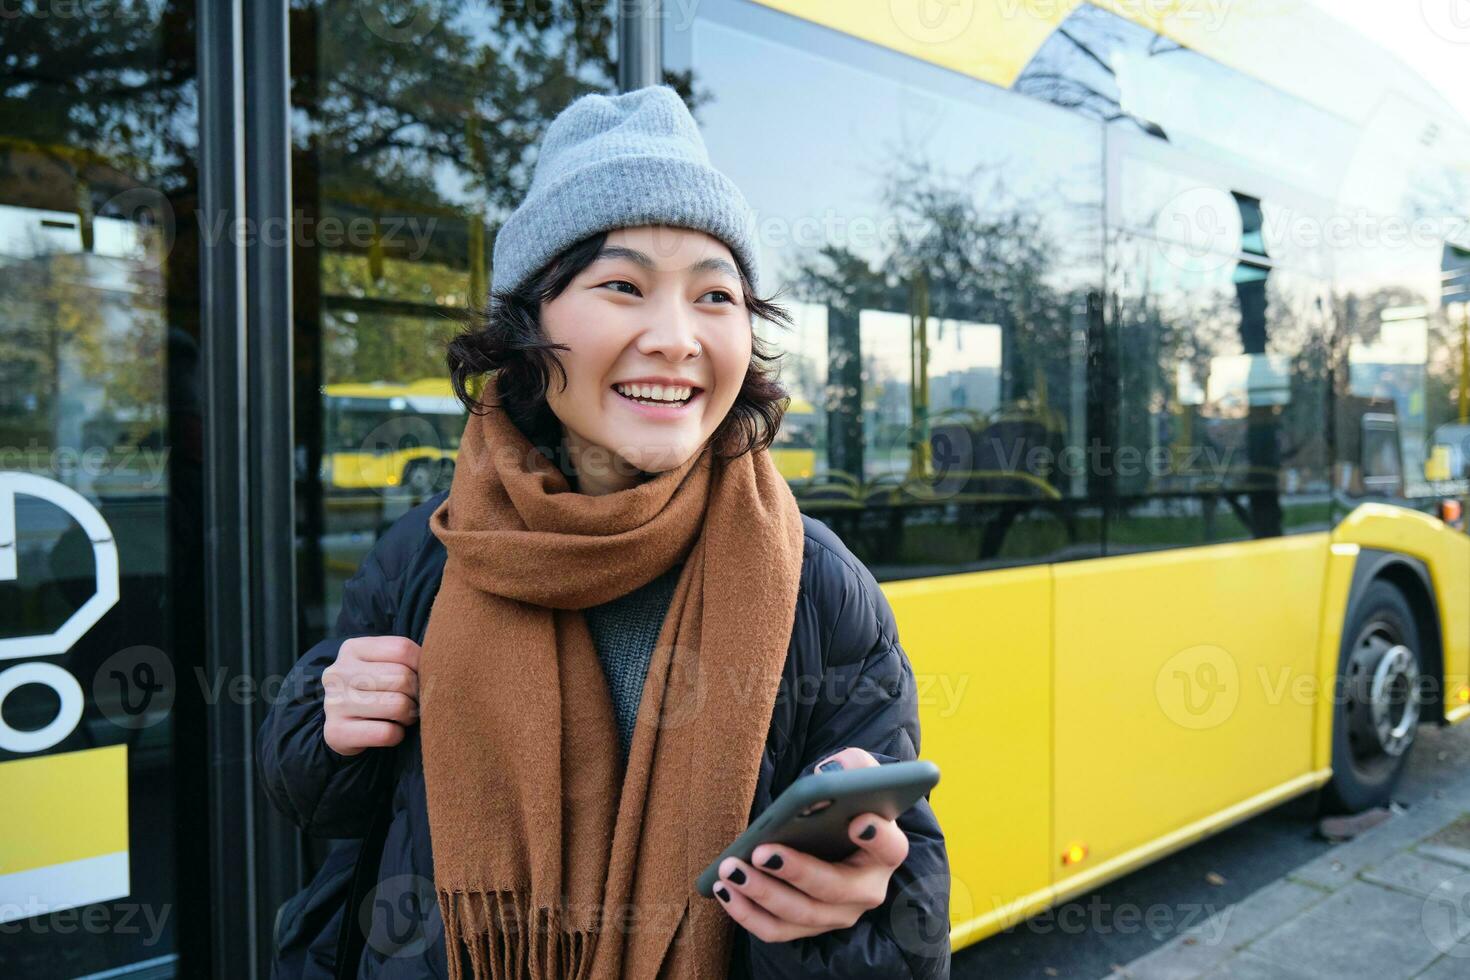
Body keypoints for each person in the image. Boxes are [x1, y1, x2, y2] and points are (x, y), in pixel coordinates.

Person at [258, 84, 950, 980]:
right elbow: (322, 805)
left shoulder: (816, 582)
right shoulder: (428, 554)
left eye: (715, 297)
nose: (675, 337)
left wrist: (860, 907)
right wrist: (329, 718)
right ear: (525, 329)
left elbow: (909, 912)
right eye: (622, 286)